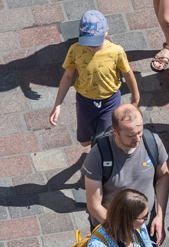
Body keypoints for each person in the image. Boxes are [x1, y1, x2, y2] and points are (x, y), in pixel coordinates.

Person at [49, 9, 140, 145]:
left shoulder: (116, 52)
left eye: (96, 40)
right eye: (87, 40)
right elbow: (68, 76)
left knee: (105, 140)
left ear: (106, 32)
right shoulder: (75, 50)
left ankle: (100, 160)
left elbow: (127, 73)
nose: (91, 44)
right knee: (85, 142)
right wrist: (57, 104)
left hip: (109, 102)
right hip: (85, 102)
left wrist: (135, 97)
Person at [84, 104, 169, 238]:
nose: (137, 139)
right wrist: (122, 232)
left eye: (140, 131)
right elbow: (94, 206)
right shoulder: (97, 157)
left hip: (146, 226)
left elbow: (163, 177)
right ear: (115, 131)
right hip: (112, 229)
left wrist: (160, 215)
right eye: (130, 135)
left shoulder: (152, 142)